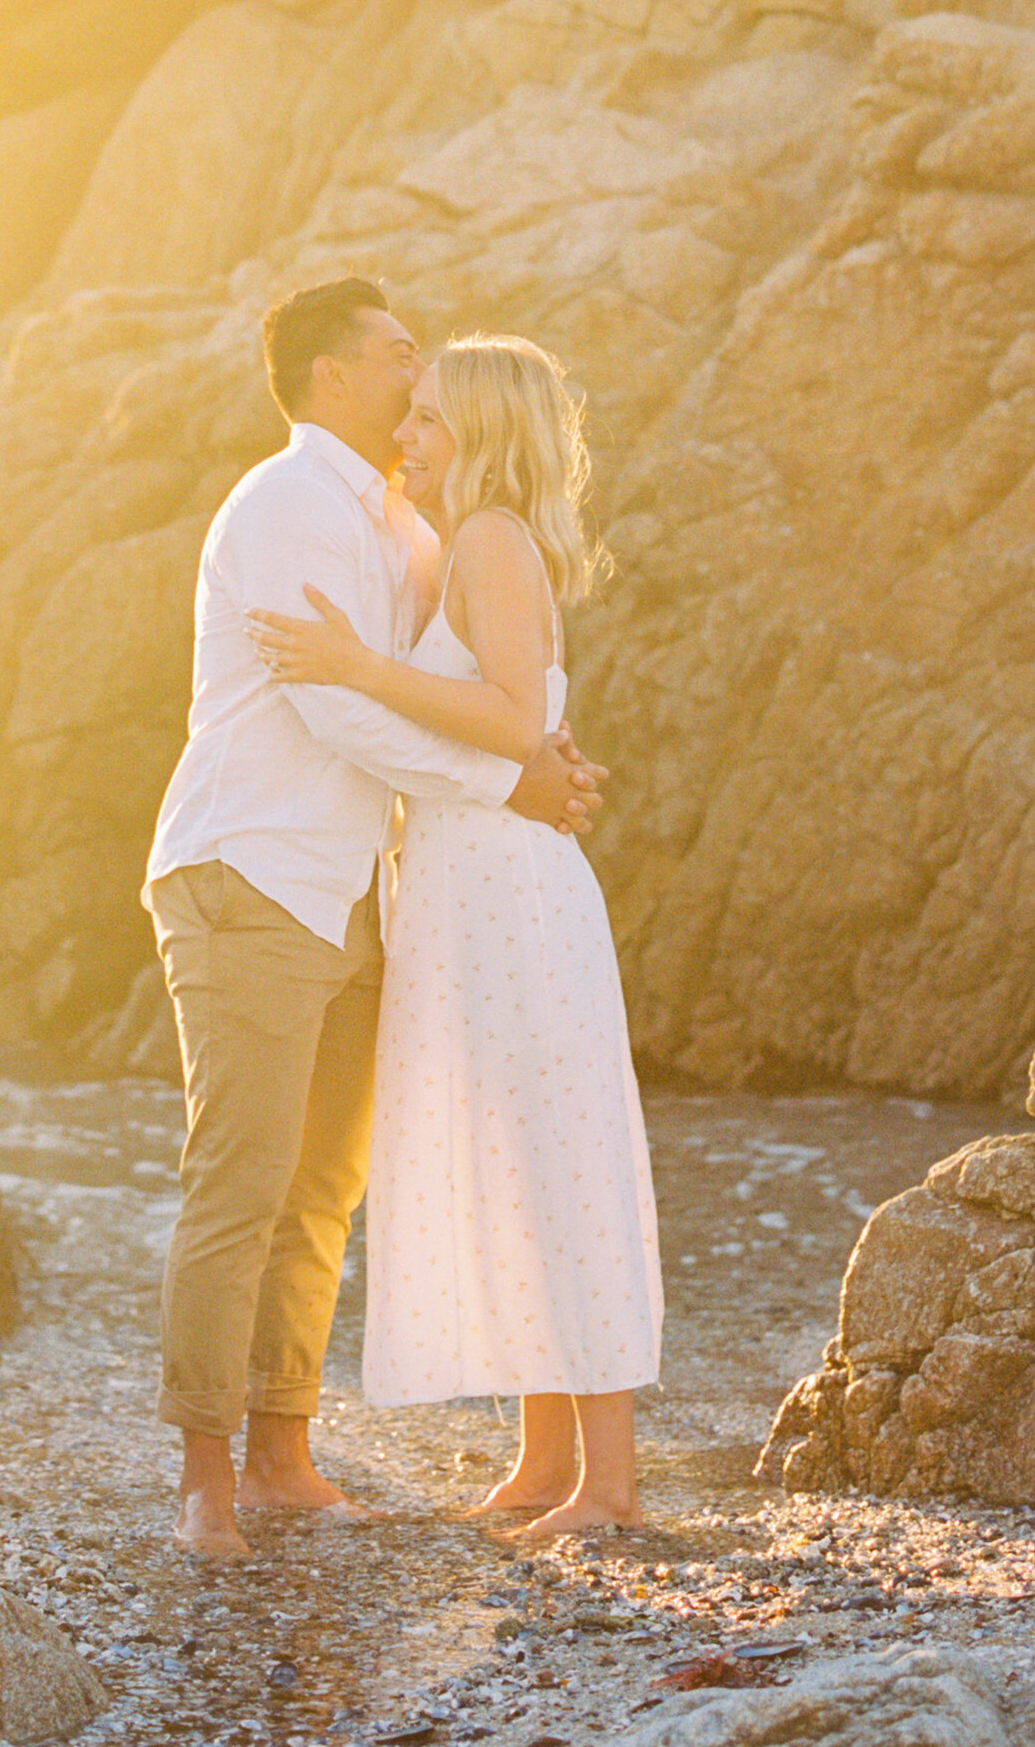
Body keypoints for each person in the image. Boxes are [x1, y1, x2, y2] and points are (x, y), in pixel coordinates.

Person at [143, 276, 607, 1565]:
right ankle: (204, 1481)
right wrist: (514, 780)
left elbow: (440, 688)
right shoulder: (284, 505)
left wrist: (541, 745)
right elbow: (334, 708)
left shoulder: (406, 524)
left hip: (357, 887)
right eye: (400, 353)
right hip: (251, 871)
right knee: (238, 1183)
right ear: (333, 376)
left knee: (321, 1190)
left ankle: (283, 1454)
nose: (421, 372)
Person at [250, 334, 661, 1541]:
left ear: (482, 431)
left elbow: (513, 718)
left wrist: (356, 667)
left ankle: (612, 1485)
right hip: (462, 885)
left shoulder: (488, 539)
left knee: (554, 1155)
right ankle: (544, 1460)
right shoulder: (465, 544)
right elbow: (514, 730)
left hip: (507, 891)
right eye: (406, 415)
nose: (407, 437)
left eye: (429, 419)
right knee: (510, 1156)